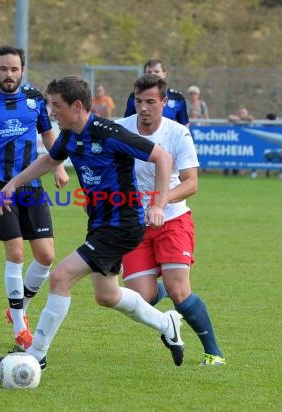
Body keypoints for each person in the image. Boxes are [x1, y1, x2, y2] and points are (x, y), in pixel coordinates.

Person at [0, 75, 184, 371]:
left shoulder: (109, 133)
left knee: (60, 277)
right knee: (107, 295)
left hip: (122, 223)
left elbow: (162, 157)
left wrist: (157, 204)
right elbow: (50, 161)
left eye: (56, 105)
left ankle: (36, 355)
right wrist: (13, 183)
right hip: (100, 224)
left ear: (77, 105)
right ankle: (166, 323)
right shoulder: (68, 135)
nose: (52, 112)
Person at [0, 45, 69, 350]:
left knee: (46, 256)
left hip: (31, 187)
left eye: (14, 69)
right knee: (16, 253)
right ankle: (20, 327)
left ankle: (18, 307)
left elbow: (48, 135)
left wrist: (57, 166)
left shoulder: (33, 100)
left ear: (22, 70)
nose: (9, 74)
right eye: (4, 69)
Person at [116, 74, 225, 366]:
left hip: (173, 220)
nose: (144, 108)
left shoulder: (178, 133)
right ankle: (160, 291)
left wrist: (160, 202)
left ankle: (214, 353)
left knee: (180, 291)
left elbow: (191, 182)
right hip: (135, 224)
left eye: (151, 102)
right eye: (139, 101)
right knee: (142, 299)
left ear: (164, 102)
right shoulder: (120, 130)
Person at [124, 59, 189, 126]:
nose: (152, 74)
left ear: (164, 74)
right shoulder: (134, 97)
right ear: (144, 75)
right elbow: (127, 123)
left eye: (156, 71)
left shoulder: (177, 98)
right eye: (149, 72)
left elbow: (184, 124)